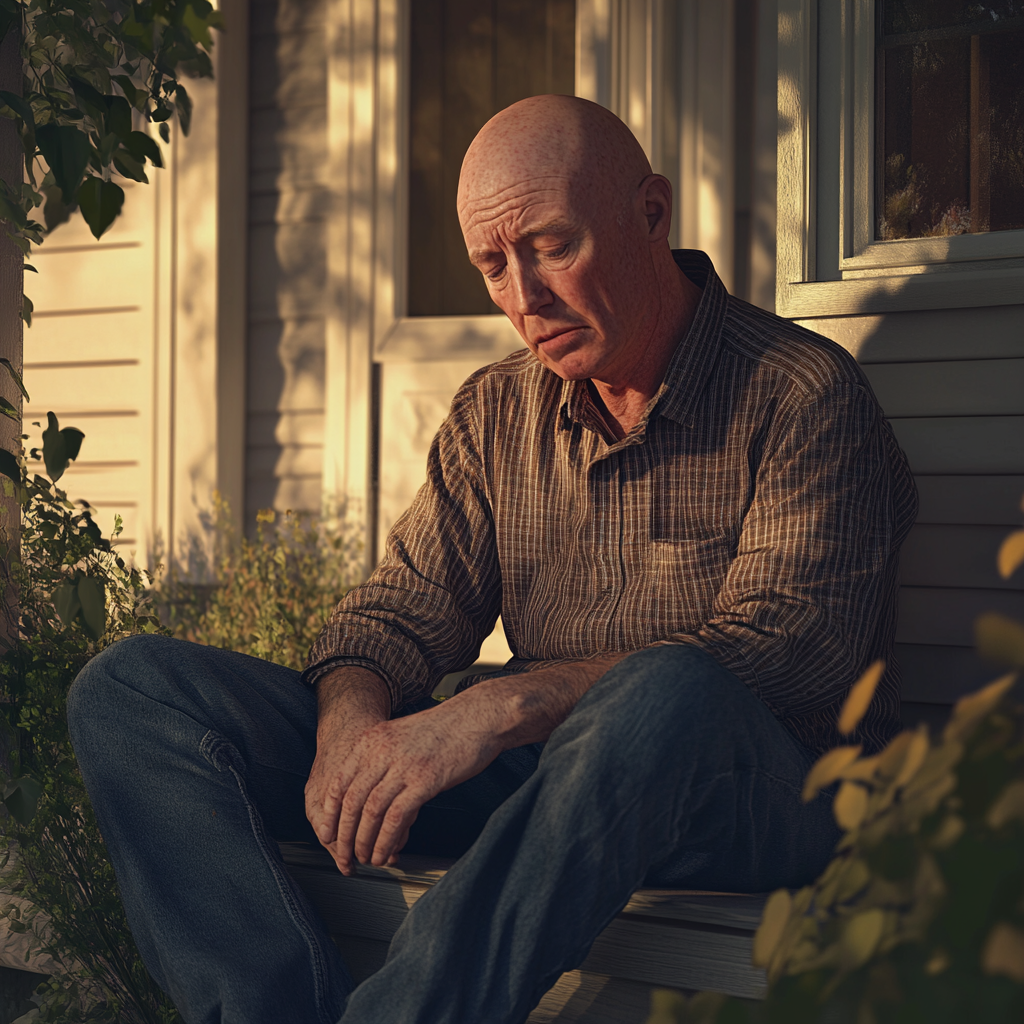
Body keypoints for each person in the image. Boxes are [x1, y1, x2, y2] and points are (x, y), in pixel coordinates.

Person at [68, 95, 917, 1024]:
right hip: (550, 789)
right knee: (133, 688)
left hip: (768, 792)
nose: (523, 298)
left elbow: (788, 652)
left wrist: (498, 705)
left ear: (651, 215)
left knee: (663, 689)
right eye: (491, 266)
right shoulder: (497, 411)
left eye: (552, 247)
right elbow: (397, 611)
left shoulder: (802, 395)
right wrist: (351, 727)